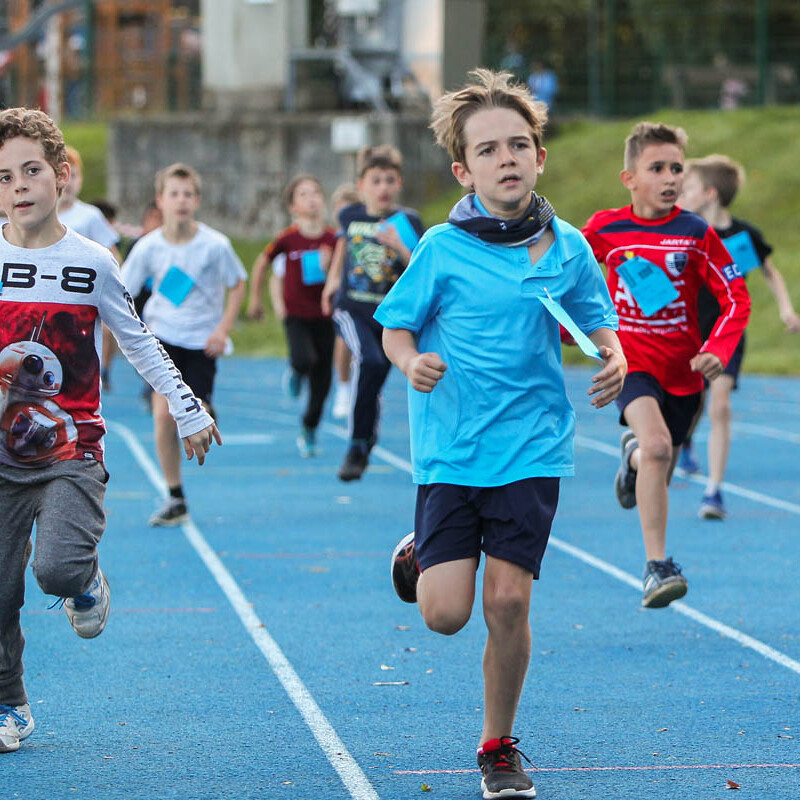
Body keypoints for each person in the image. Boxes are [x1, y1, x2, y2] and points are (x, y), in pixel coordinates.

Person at [378, 69, 625, 800]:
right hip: (453, 450)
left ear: (539, 158)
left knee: (509, 601)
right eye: (488, 150)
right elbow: (395, 326)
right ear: (464, 170)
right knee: (446, 615)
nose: (506, 158)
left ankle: (498, 746)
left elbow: (596, 315)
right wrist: (410, 361)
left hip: (531, 445)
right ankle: (420, 551)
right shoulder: (441, 248)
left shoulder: (568, 245)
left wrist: (614, 355)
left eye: (518, 145)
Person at [0, 108, 219, 754]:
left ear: (61, 176)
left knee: (54, 569)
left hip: (72, 447)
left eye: (31, 170)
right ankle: (10, 702)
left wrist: (186, 407)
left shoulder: (92, 261)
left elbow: (138, 339)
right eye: (4, 176)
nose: (18, 185)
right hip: (2, 454)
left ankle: (84, 579)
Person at [582, 122, 751, 609]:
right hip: (630, 362)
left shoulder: (696, 233)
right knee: (658, 448)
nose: (670, 177)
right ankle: (657, 566)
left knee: (661, 458)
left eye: (676, 168)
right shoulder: (605, 228)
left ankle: (631, 459)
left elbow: (735, 296)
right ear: (629, 178)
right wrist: (569, 328)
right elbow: (568, 274)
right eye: (656, 168)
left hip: (684, 372)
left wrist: (718, 348)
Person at [677, 155, 800, 518]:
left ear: (710, 194)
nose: (680, 193)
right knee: (694, 403)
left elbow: (770, 272)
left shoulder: (744, 236)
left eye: (688, 188)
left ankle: (713, 492)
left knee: (721, 405)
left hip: (727, 332)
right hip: (689, 330)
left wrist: (786, 309)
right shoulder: (685, 232)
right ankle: (686, 441)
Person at [123, 163, 246, 526]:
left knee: (196, 412)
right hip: (161, 340)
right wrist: (137, 329)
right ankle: (175, 496)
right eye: (174, 194)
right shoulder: (148, 247)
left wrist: (222, 330)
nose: (181, 200)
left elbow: (237, 283)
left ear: (197, 200)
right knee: (163, 414)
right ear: (160, 201)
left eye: (188, 194)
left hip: (201, 342)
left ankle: (203, 409)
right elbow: (123, 291)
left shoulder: (215, 245)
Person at [321, 145, 424, 481]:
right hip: (352, 309)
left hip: (389, 314)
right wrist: (331, 283)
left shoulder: (408, 222)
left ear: (400, 184)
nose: (383, 188)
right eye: (376, 181)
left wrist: (398, 246)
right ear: (362, 185)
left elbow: (421, 269)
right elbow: (343, 248)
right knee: (370, 361)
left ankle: (366, 437)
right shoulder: (350, 216)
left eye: (390, 180)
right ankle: (355, 445)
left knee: (375, 374)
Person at [246, 174, 337, 456]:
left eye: (315, 193)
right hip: (296, 315)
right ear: (293, 207)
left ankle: (309, 427)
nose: (312, 199)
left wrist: (330, 265)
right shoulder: (287, 238)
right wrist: (255, 299)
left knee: (322, 384)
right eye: (303, 195)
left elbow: (345, 274)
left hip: (326, 316)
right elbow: (262, 263)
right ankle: (296, 372)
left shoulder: (334, 239)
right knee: (303, 359)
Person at [58, 146, 122, 390]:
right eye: (64, 175)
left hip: (84, 295)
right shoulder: (40, 215)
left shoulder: (90, 216)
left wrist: (114, 289)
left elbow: (112, 255)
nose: (69, 182)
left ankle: (102, 370)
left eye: (74, 175)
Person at [329, 182, 360, 420]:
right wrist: (331, 284)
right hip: (346, 295)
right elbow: (337, 262)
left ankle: (362, 385)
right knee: (342, 340)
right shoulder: (340, 235)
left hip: (370, 295)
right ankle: (343, 386)